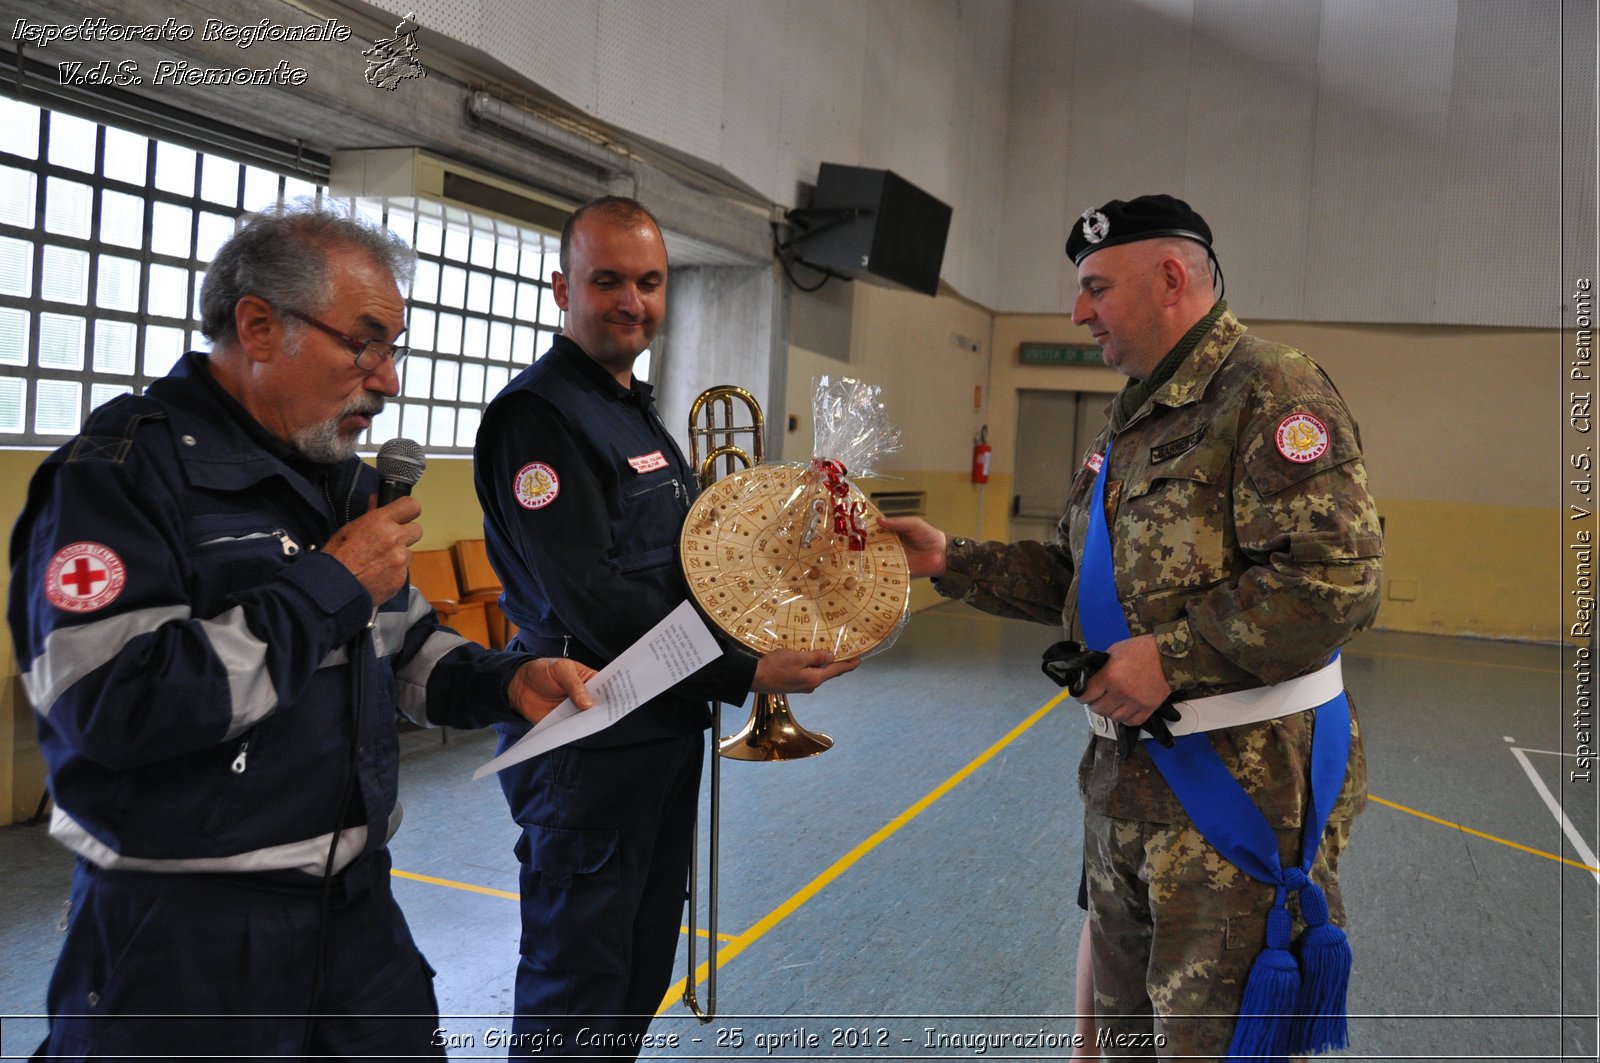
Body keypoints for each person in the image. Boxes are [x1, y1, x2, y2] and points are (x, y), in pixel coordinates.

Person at [7, 202, 596, 1061]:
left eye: (394, 348)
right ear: (258, 326)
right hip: (186, 944)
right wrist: (330, 583)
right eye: (365, 343)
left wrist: (502, 680)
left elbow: (400, 646)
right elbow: (110, 705)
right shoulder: (122, 476)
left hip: (355, 922)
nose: (388, 379)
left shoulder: (340, 481)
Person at [883, 194, 1382, 1059]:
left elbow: (1337, 580)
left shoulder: (1270, 388)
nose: (1079, 312)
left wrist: (1173, 659)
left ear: (1172, 278)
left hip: (1237, 802)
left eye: (1095, 287)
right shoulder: (1132, 419)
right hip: (1127, 792)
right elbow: (1085, 582)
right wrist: (947, 560)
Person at [473, 195, 858, 1060]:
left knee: (638, 971)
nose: (630, 300)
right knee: (578, 984)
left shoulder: (636, 409)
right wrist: (742, 670)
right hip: (586, 737)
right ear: (561, 288)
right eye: (606, 280)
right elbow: (591, 595)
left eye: (648, 282)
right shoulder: (541, 418)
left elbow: (690, 561)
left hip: (659, 729)